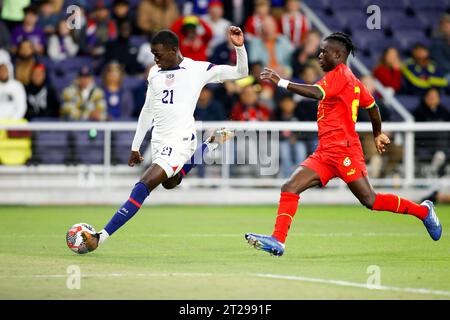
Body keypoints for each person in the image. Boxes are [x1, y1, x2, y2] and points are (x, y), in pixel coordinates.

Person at [245, 32, 442, 257]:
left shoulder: (340, 75)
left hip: (344, 150)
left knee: (370, 200)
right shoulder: (352, 81)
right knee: (290, 187)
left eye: (324, 51)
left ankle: (423, 211)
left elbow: (316, 93)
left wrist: (281, 82)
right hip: (326, 152)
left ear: (338, 54)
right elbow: (372, 107)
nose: (319, 55)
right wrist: (377, 133)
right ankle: (278, 240)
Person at [80, 27, 248, 252]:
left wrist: (239, 47)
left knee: (143, 185)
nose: (155, 59)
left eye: (158, 54)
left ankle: (101, 236)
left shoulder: (197, 69)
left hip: (179, 142)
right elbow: (147, 110)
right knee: (171, 182)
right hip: (160, 141)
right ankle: (210, 143)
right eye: (153, 54)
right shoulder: (153, 73)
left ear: (173, 50)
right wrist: (135, 145)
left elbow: (241, 72)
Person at [412, 87, 450, 177]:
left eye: (435, 96)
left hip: (442, 145)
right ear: (425, 97)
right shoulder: (418, 112)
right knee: (440, 153)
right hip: (426, 144)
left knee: (441, 152)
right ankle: (432, 172)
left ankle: (434, 170)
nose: (433, 98)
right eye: (430, 96)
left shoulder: (444, 111)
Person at [0, 52, 27, 119]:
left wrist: (13, 121)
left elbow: (22, 106)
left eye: (5, 70)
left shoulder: (17, 86)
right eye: (1, 70)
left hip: (14, 123)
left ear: (9, 70)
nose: (3, 72)